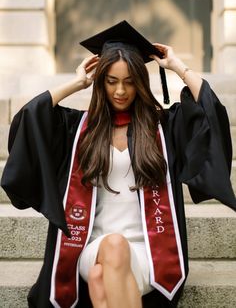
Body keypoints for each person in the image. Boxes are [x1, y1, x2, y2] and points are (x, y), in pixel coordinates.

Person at [1, 21, 236, 308]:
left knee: (101, 280)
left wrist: (177, 66)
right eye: (111, 81)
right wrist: (77, 83)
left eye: (129, 82)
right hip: (93, 246)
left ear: (140, 82)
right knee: (113, 247)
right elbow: (29, 118)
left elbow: (211, 114)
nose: (121, 91)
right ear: (100, 82)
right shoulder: (78, 128)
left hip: (151, 253)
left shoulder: (163, 127)